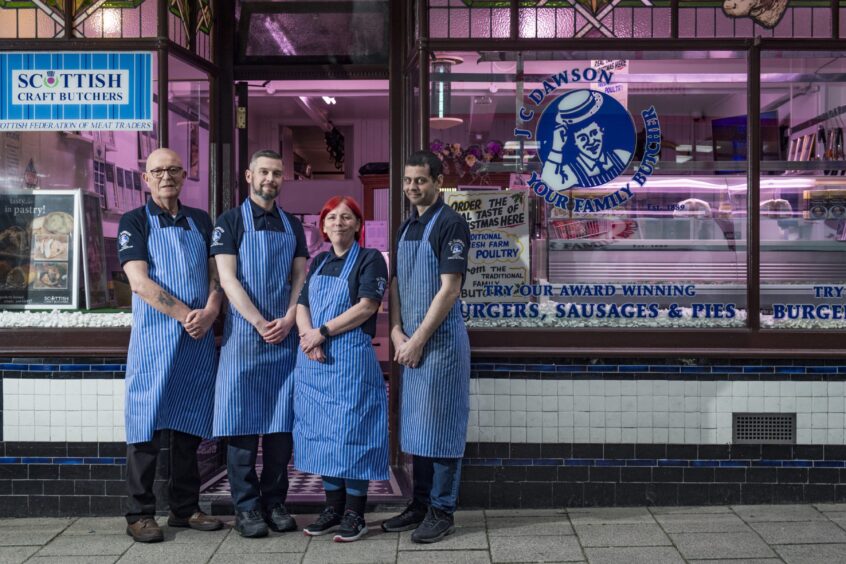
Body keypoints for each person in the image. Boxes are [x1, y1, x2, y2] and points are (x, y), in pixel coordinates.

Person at [118, 148, 223, 543]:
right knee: (144, 426)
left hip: (196, 342)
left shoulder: (200, 220)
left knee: (189, 427)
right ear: (146, 179)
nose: (166, 176)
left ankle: (185, 508)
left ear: (184, 176)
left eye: (173, 170)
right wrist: (186, 315)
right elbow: (139, 282)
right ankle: (140, 514)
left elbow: (216, 275)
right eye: (158, 171)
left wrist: (211, 310)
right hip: (154, 339)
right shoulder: (135, 222)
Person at [211, 149, 308, 538]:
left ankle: (275, 501)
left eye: (277, 173)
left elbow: (300, 277)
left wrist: (288, 318)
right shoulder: (230, 221)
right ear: (249, 175)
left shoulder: (292, 225)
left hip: (283, 341)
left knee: (281, 432)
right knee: (242, 428)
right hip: (244, 341)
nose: (270, 178)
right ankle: (247, 509)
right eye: (264, 172)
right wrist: (257, 321)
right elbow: (228, 279)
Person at [382, 150, 471, 543]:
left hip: (442, 345)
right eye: (407, 181)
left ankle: (442, 511)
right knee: (417, 428)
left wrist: (417, 340)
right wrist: (397, 330)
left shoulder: (451, 224)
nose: (412, 187)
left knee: (444, 427)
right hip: (412, 344)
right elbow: (397, 284)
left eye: (420, 180)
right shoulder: (405, 228)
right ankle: (418, 505)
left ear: (437, 181)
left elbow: (449, 290)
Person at [293, 196, 389, 543]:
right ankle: (332, 508)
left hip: (350, 363)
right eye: (331, 217)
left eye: (346, 217)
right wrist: (308, 338)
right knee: (323, 436)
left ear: (358, 225)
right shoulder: (317, 262)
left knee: (353, 434)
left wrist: (323, 332)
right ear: (323, 225)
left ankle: (355, 514)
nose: (338, 223)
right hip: (314, 363)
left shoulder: (370, 259)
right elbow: (302, 303)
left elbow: (367, 307)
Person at [541, 90, 632, 189]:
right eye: (583, 138)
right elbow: (547, 183)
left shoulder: (620, 156)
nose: (591, 141)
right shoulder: (572, 171)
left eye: (594, 133)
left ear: (602, 131)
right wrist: (556, 147)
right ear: (575, 142)